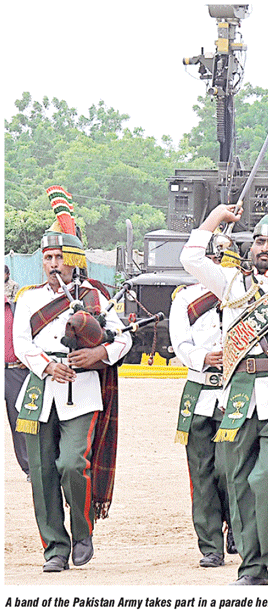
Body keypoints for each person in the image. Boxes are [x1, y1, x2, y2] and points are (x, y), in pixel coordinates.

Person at [180, 202, 268, 586]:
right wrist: (215, 217)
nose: (263, 248)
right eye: (258, 241)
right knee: (238, 480)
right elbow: (190, 256)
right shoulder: (233, 284)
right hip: (238, 398)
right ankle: (252, 567)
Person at [12, 186, 132, 572]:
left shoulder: (95, 295)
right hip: (40, 388)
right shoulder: (29, 298)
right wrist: (47, 366)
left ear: (73, 261)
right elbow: (21, 344)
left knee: (71, 464)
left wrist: (100, 353)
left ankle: (83, 531)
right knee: (42, 474)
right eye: (47, 257)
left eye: (59, 257)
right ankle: (55, 549)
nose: (52, 264)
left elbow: (124, 337)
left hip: (82, 389)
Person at [169, 248, 234, 568]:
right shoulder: (184, 299)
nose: (214, 263)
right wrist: (201, 358)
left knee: (228, 468)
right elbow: (179, 341)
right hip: (199, 389)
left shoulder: (239, 290)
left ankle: (235, 524)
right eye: (209, 257)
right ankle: (210, 545)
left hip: (233, 391)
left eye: (220, 257)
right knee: (202, 472)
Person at [5, 293, 31, 481]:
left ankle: (30, 468)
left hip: (14, 372)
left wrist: (29, 357)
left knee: (20, 421)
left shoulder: (15, 308)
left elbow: (31, 335)